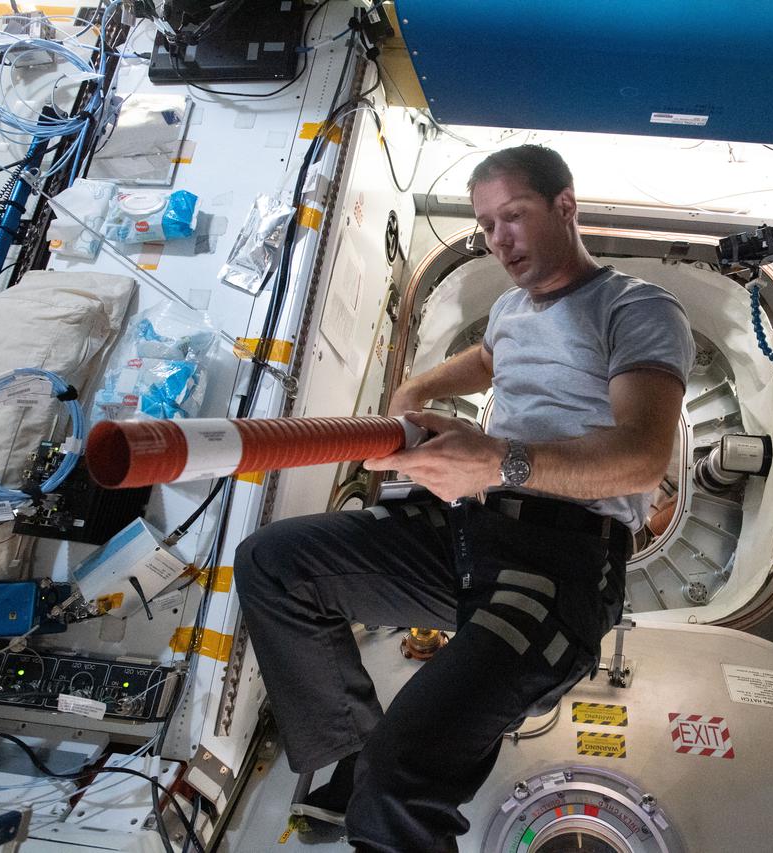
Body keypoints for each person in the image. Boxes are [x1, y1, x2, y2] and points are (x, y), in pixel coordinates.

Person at [233, 144, 695, 851]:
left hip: (562, 562)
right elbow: (483, 361)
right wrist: (417, 397)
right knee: (272, 563)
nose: (498, 239)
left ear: (565, 206)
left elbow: (640, 460)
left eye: (513, 216)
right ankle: (355, 751)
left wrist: (496, 462)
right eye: (485, 225)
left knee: (400, 784)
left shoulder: (635, 308)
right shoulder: (510, 311)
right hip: (471, 534)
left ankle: (382, 774)